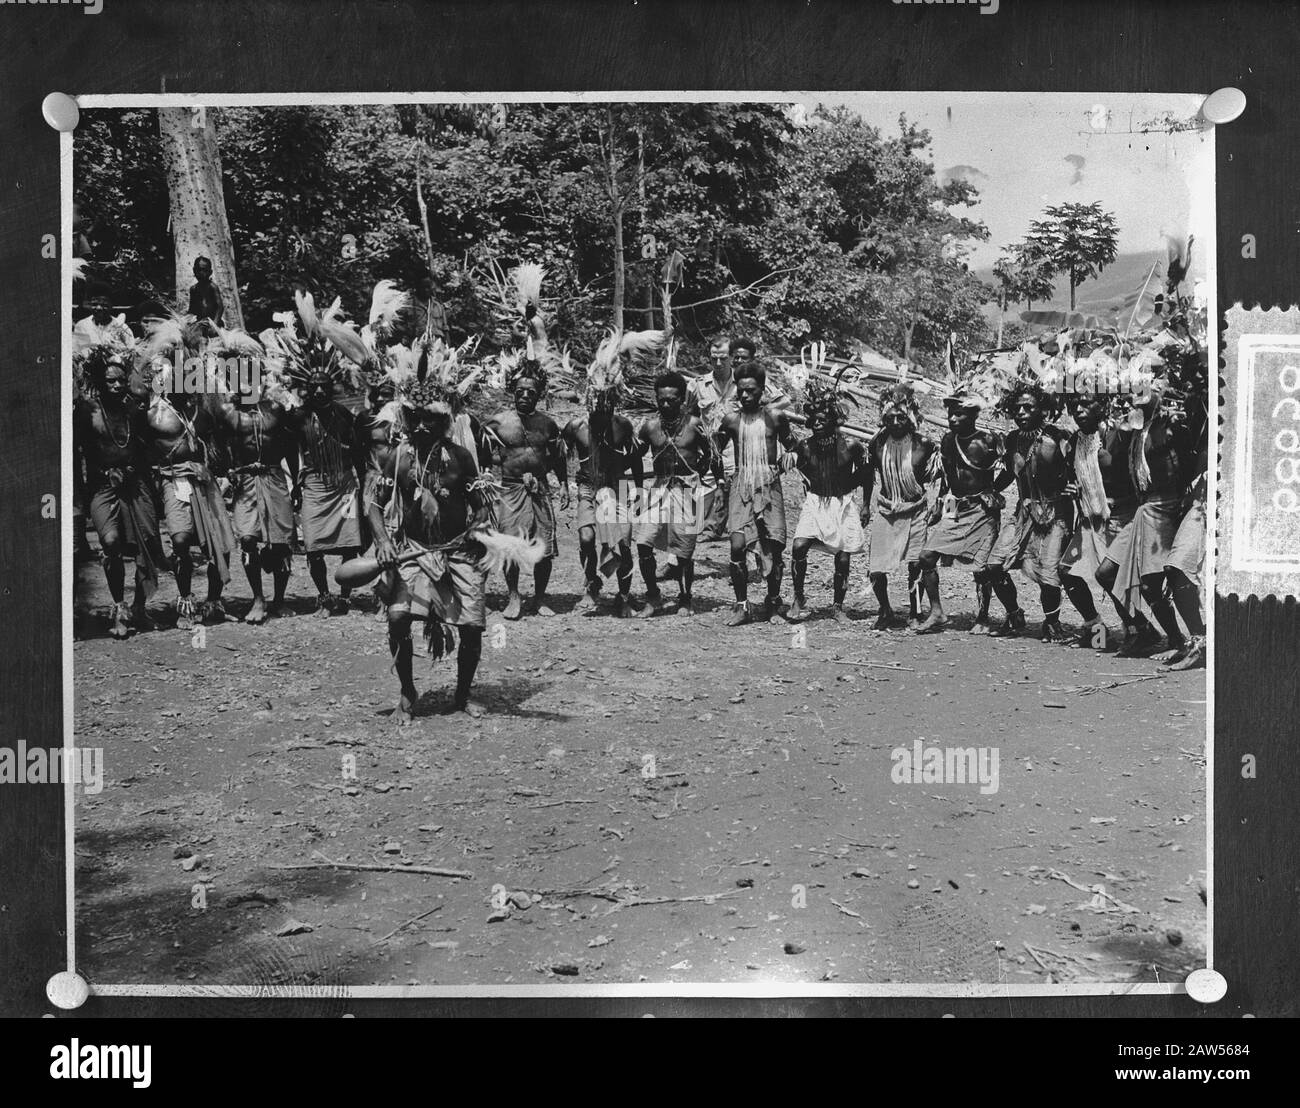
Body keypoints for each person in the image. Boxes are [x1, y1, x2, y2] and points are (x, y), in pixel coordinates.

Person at [368, 363, 496, 722]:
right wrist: (381, 541)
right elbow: (374, 505)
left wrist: (479, 527)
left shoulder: (460, 457)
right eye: (416, 418)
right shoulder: (398, 457)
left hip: (457, 550)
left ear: (444, 422)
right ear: (407, 419)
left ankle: (462, 694)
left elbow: (481, 505)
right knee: (397, 619)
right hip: (412, 550)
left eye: (431, 419)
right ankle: (408, 693)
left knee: (472, 626)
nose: (422, 426)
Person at [1096, 378, 1200, 660]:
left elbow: (1189, 465)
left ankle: (1180, 642)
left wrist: (1183, 505)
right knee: (1105, 573)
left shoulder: (1171, 425)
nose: (1135, 394)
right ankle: (1146, 631)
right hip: (1142, 509)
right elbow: (1113, 459)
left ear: (1159, 390)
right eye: (1131, 389)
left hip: (1166, 507)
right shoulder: (1133, 426)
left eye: (1142, 388)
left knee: (1150, 583)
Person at [73, 345, 167, 638]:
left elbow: (145, 448)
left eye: (120, 380)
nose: (116, 385)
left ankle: (138, 608)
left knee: (147, 543)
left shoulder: (134, 409)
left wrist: (138, 475)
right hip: (103, 486)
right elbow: (76, 453)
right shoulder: (87, 411)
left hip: (135, 484)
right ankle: (118, 606)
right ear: (100, 382)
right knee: (110, 542)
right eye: (110, 381)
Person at [914, 388, 1019, 634]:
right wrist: (942, 506)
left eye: (959, 415)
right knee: (926, 557)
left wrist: (993, 489)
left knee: (981, 569)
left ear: (972, 416)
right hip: (955, 506)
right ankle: (937, 612)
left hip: (982, 510)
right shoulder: (949, 441)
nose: (952, 419)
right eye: (951, 414)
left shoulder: (989, 441)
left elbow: (1009, 469)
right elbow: (948, 478)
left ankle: (983, 617)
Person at [146, 351, 237, 629]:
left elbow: (218, 446)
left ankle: (213, 603)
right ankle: (185, 601)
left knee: (219, 545)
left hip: (204, 482)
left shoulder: (202, 414)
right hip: (174, 482)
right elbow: (144, 451)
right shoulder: (154, 415)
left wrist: (223, 474)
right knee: (182, 541)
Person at [985, 381, 1079, 642]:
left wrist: (1075, 488)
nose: (1022, 413)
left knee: (1049, 574)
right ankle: (1015, 614)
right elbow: (1008, 472)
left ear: (1044, 409)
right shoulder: (1013, 439)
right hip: (1023, 513)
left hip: (1055, 512)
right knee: (994, 565)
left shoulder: (1059, 439)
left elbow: (1076, 472)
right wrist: (990, 488)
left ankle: (1051, 624)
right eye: (1017, 408)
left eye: (1029, 407)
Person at [1058, 387, 1149, 650]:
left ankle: (1139, 628)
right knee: (1067, 573)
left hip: (1123, 516)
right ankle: (1096, 629)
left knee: (1108, 575)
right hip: (1092, 517)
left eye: (1086, 404)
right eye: (1074, 405)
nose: (1078, 410)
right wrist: (1072, 488)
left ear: (1103, 406)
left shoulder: (1119, 436)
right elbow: (1073, 477)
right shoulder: (1076, 442)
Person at [715, 362, 799, 626]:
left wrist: (791, 458)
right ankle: (742, 606)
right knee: (737, 545)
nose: (745, 396)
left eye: (750, 391)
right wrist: (720, 480)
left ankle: (773, 602)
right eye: (740, 391)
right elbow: (713, 453)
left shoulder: (775, 417)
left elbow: (794, 445)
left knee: (773, 545)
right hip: (741, 485)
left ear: (762, 390)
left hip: (768, 484)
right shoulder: (731, 420)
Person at [214, 364, 298, 624]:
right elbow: (217, 444)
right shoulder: (228, 413)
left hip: (274, 478)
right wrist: (227, 470)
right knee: (248, 539)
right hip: (246, 480)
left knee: (281, 543)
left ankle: (279, 600)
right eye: (241, 380)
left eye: (251, 380)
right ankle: (258, 598)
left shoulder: (275, 410)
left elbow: (290, 448)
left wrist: (297, 481)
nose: (246, 386)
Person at [485, 359, 568, 619]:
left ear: (539, 395)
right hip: (510, 490)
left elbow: (558, 457)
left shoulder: (547, 424)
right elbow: (483, 455)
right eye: (520, 390)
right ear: (512, 390)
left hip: (540, 490)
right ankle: (513, 597)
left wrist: (564, 484)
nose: (524, 395)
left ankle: (540, 598)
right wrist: (486, 476)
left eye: (530, 392)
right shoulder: (497, 423)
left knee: (543, 547)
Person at [788, 377, 870, 623]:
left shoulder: (852, 446)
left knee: (843, 557)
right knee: (798, 546)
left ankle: (837, 606)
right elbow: (798, 465)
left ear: (836, 419)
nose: (818, 423)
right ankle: (798, 596)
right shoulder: (804, 447)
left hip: (843, 503)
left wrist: (865, 505)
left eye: (824, 418)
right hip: (815, 501)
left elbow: (867, 475)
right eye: (814, 419)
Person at [635, 370, 714, 616]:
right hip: (659, 489)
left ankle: (685, 598)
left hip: (687, 489)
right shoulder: (649, 427)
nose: (666, 404)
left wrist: (701, 475)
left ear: (682, 399)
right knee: (643, 543)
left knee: (683, 549)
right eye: (662, 400)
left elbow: (711, 454)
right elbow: (636, 457)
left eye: (672, 399)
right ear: (656, 399)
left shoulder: (693, 425)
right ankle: (653, 596)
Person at [562, 376, 643, 617]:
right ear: (589, 399)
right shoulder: (577, 427)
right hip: (588, 489)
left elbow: (636, 459)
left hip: (617, 489)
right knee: (586, 538)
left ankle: (624, 596)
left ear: (614, 399)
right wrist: (564, 484)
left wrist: (638, 491)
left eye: (608, 400)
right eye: (597, 400)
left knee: (624, 545)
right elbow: (559, 453)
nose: (602, 406)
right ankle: (591, 581)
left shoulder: (622, 426)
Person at [291, 367, 364, 614]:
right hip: (314, 483)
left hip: (344, 485)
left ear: (332, 388)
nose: (319, 390)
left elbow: (356, 452)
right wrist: (295, 485)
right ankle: (323, 596)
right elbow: (292, 452)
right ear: (307, 389)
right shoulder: (299, 417)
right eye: (314, 386)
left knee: (350, 544)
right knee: (313, 546)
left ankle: (344, 597)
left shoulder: (343, 414)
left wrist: (362, 485)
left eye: (324, 385)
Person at [862, 383, 935, 629]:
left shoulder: (924, 444)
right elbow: (867, 475)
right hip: (886, 509)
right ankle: (885, 609)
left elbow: (933, 476)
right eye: (890, 417)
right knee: (876, 568)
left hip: (915, 509)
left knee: (916, 564)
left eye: (901, 416)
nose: (895, 422)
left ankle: (915, 612)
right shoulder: (877, 443)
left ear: (911, 417)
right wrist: (864, 505)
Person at [73, 286, 134, 352]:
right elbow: (77, 351)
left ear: (111, 305)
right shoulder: (82, 326)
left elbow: (131, 350)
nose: (99, 308)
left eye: (104, 305)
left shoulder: (122, 327)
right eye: (95, 304)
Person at [187, 256, 226, 327]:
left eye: (205, 270)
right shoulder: (193, 289)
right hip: (200, 323)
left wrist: (214, 324)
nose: (201, 273)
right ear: (194, 270)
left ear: (210, 272)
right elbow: (191, 310)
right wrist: (187, 320)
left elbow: (220, 307)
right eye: (198, 270)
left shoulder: (212, 287)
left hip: (214, 322)